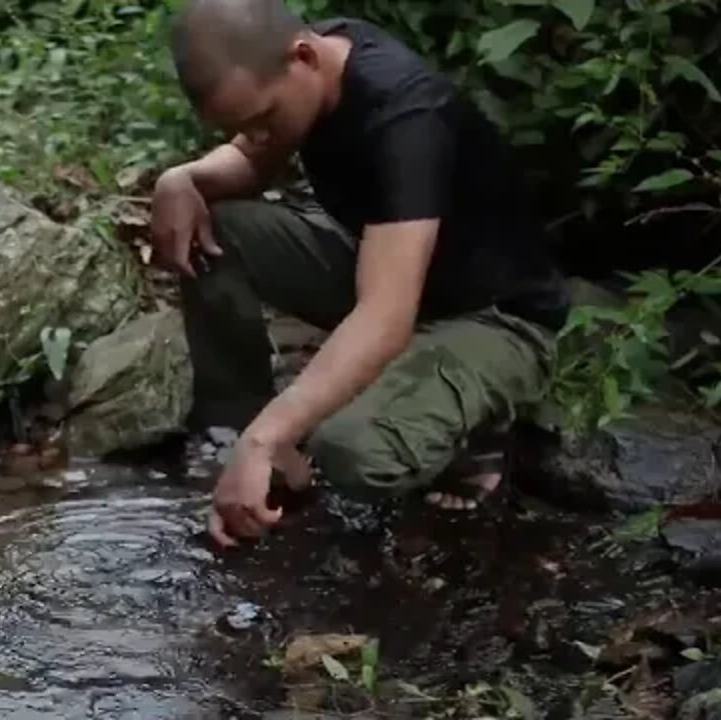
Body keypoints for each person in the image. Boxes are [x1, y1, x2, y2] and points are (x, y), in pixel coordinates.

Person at [153, 0, 571, 548]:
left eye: (261, 120)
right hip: (386, 268)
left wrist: (269, 435)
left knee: (352, 452)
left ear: (303, 57)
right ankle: (236, 434)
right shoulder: (312, 61)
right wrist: (183, 179)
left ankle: (479, 430)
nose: (256, 137)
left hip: (492, 317)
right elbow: (255, 159)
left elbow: (386, 315)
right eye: (240, 128)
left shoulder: (407, 115)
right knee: (217, 233)